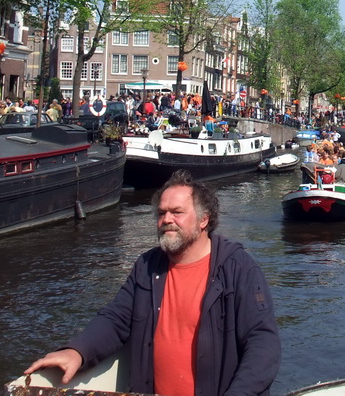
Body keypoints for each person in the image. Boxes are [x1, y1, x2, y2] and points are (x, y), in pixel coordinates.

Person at [24, 169, 280, 396]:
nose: (166, 219)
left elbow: (262, 342)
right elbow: (116, 319)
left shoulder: (238, 268)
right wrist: (77, 351)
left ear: (204, 220)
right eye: (161, 213)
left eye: (177, 212)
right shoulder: (147, 266)